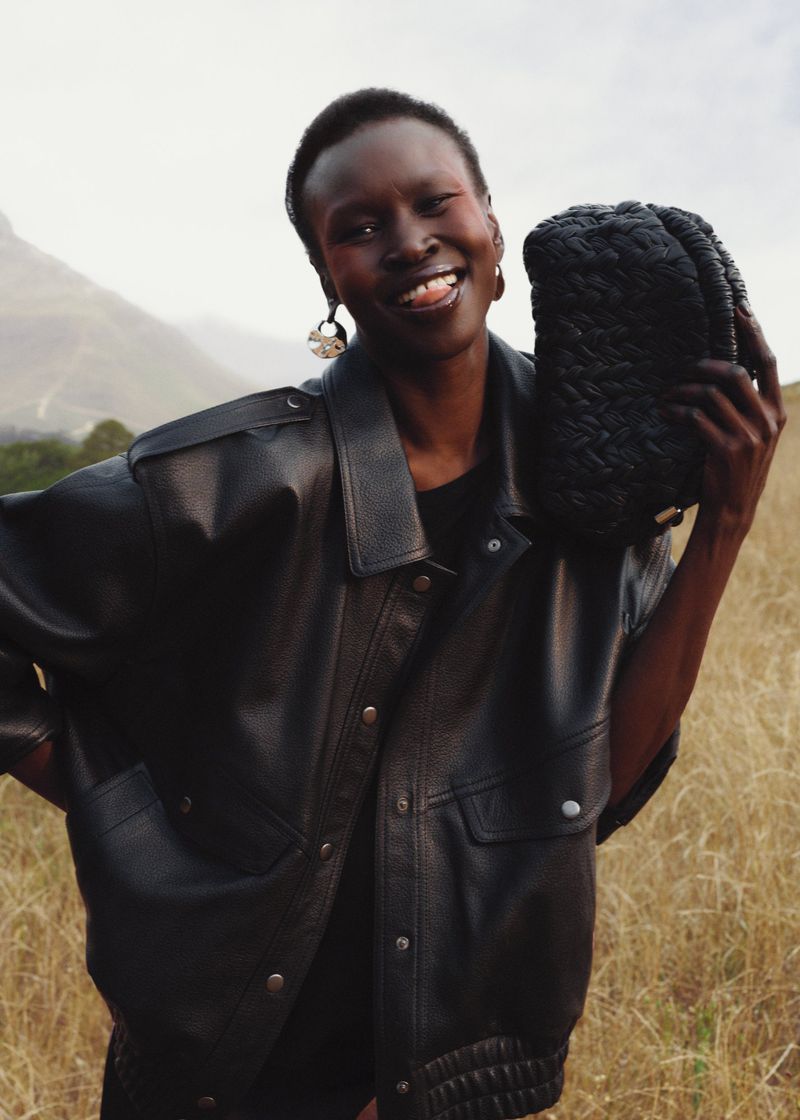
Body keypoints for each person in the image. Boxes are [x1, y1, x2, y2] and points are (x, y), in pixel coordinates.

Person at [0, 89, 784, 1120]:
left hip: (457, 1076)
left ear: (493, 229)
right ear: (328, 276)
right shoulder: (231, 479)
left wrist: (720, 529)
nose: (408, 242)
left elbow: (590, 792)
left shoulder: (598, 479)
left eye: (433, 203)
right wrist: (118, 801)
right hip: (223, 1071)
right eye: (360, 228)